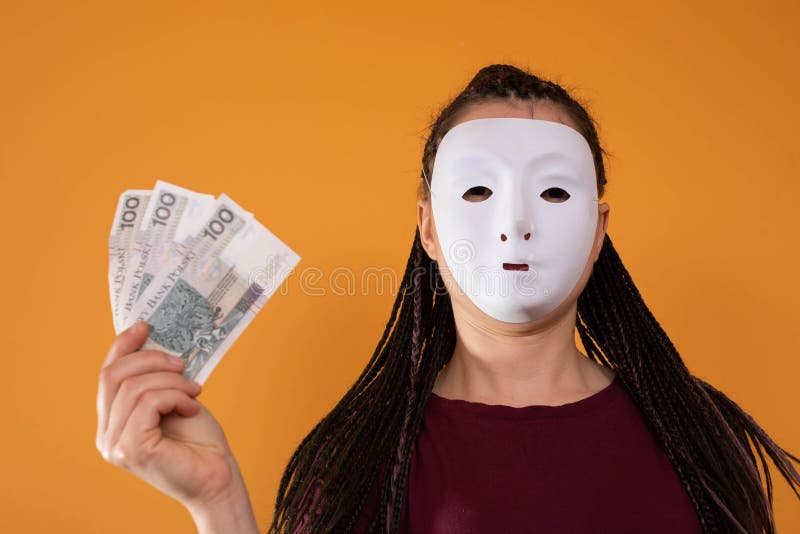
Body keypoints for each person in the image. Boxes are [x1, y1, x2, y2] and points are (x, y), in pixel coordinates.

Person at [95, 64, 800, 533]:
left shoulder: (699, 439)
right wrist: (217, 500)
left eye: (555, 191)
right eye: (479, 189)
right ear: (428, 226)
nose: (515, 222)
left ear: (598, 230)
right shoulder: (356, 463)